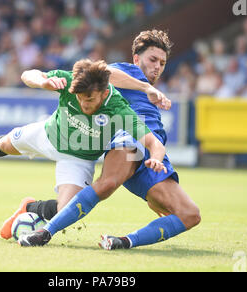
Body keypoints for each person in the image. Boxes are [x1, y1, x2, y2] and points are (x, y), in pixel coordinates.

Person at [0, 58, 171, 236]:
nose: (83, 104)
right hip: (48, 135)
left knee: (67, 210)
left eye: (89, 100)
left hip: (78, 159)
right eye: (79, 99)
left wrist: (157, 159)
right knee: (4, 143)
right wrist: (43, 81)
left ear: (103, 92)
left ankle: (29, 207)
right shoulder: (70, 81)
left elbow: (153, 143)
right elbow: (28, 74)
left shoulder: (119, 109)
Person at [18, 30, 201, 250]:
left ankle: (121, 242)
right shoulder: (129, 72)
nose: (157, 67)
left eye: (162, 63)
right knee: (107, 184)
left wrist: (157, 160)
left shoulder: (149, 92)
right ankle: (44, 233)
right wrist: (146, 87)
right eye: (153, 60)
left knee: (191, 215)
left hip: (154, 155)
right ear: (136, 58)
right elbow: (103, 71)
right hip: (131, 140)